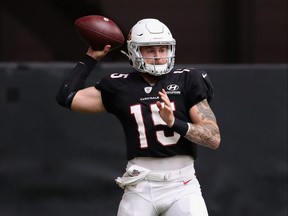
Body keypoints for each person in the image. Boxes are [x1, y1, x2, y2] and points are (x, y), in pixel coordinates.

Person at [56, 18, 221, 216]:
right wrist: (91, 57)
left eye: (163, 49)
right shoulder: (120, 85)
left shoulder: (187, 79)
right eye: (150, 50)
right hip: (140, 185)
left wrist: (174, 122)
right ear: (134, 51)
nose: (158, 57)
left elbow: (213, 137)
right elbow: (67, 96)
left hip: (183, 186)